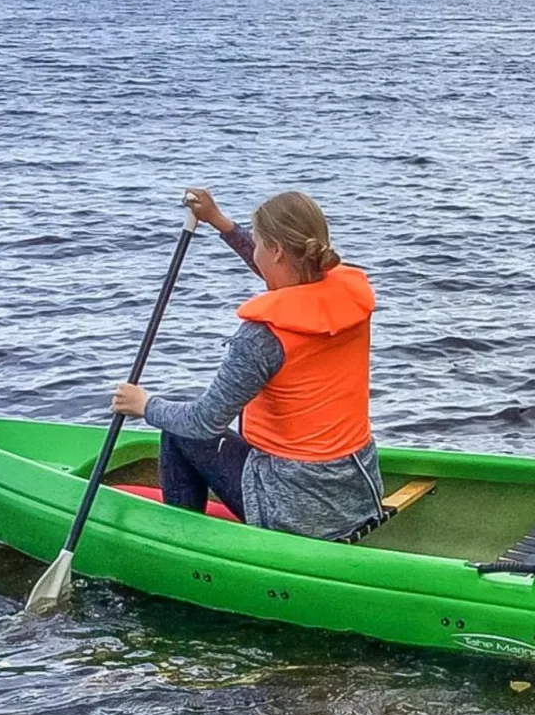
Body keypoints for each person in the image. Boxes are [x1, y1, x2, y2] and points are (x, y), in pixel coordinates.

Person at [110, 188, 383, 541]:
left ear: (277, 251)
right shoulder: (350, 297)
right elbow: (286, 273)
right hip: (358, 492)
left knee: (179, 431)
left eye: (257, 244)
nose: (254, 252)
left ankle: (180, 543)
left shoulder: (261, 339)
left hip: (294, 512)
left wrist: (144, 405)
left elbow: (203, 422)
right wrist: (219, 221)